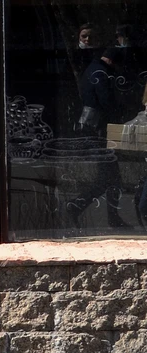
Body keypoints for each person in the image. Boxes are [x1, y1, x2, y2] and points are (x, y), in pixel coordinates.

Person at [70, 46, 130, 229]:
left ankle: (80, 206)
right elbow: (107, 102)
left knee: (109, 177)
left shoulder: (92, 69)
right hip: (99, 131)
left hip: (92, 130)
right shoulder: (101, 73)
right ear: (112, 61)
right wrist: (121, 113)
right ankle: (79, 206)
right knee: (111, 177)